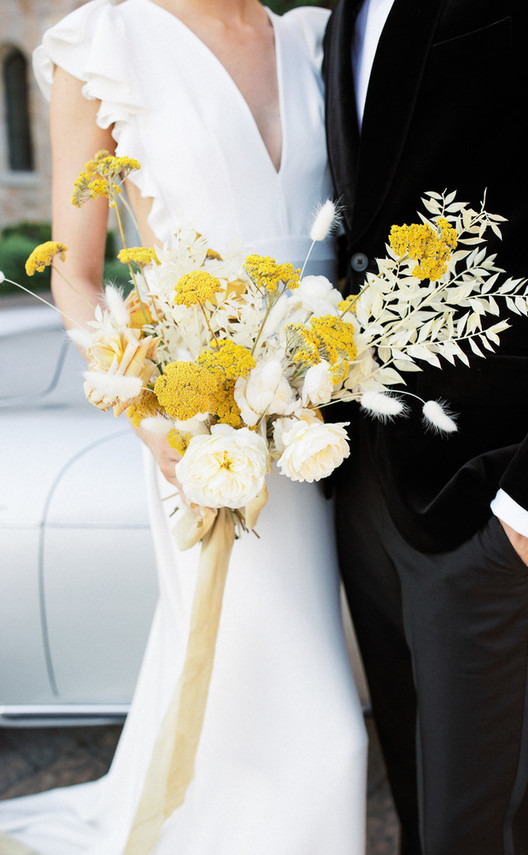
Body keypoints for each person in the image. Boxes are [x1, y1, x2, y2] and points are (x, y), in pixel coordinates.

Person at [0, 2, 368, 853]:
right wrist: (151, 419)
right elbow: (77, 277)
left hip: (328, 422)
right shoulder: (103, 44)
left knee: (290, 705)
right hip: (205, 435)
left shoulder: (312, 38)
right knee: (310, 721)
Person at [323, 1, 528, 854]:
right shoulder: (339, 18)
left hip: (493, 491)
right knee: (421, 814)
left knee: (474, 833)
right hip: (364, 477)